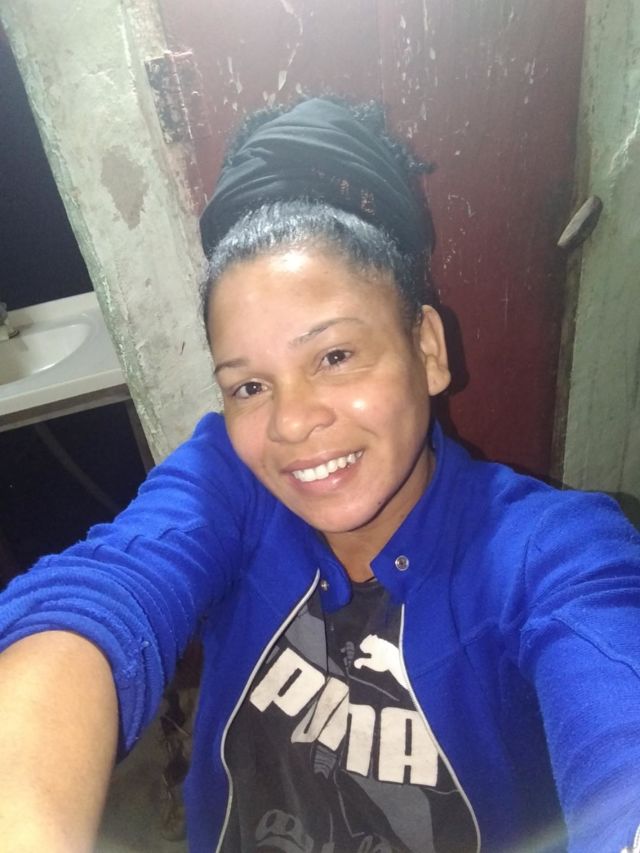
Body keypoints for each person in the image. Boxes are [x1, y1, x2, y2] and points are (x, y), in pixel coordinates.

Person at [0, 96, 639, 853]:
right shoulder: (230, 480)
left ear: (428, 349)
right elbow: (95, 599)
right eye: (249, 385)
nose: (291, 422)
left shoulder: (550, 548)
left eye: (334, 356)